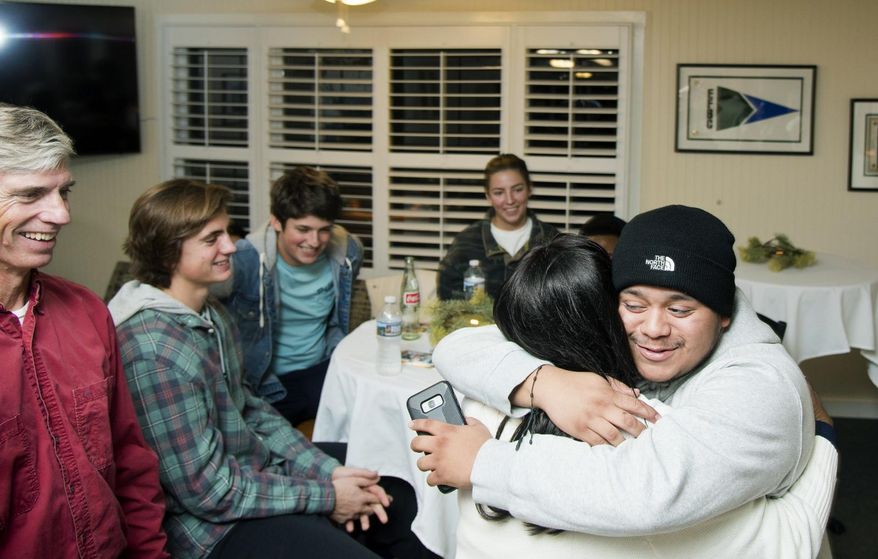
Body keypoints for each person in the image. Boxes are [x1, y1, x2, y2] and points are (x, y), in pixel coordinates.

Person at [413, 205, 818, 540]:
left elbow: (644, 492)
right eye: (635, 305)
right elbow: (458, 346)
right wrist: (546, 384)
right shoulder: (623, 339)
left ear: (724, 314)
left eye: (680, 310)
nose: (654, 329)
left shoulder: (760, 387)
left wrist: (483, 462)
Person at [109, 179, 435, 559]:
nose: (230, 246)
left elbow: (250, 409)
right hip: (214, 528)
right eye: (212, 239)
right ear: (168, 252)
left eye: (226, 233)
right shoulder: (154, 351)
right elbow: (208, 491)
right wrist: (327, 495)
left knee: (398, 490)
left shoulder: (211, 315)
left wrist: (327, 471)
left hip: (255, 469)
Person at [0, 103, 168, 557]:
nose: (60, 215)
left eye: (63, 192)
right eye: (31, 194)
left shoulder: (86, 312)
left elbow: (131, 463)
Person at [214, 167, 363, 426]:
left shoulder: (348, 251)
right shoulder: (244, 260)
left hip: (322, 370)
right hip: (264, 382)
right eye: (303, 229)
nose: (314, 241)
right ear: (276, 221)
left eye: (324, 229)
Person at [436, 153, 559, 301]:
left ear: (529, 189)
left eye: (517, 189)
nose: (509, 200)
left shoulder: (553, 240)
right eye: (499, 192)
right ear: (488, 196)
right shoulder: (465, 243)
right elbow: (447, 301)